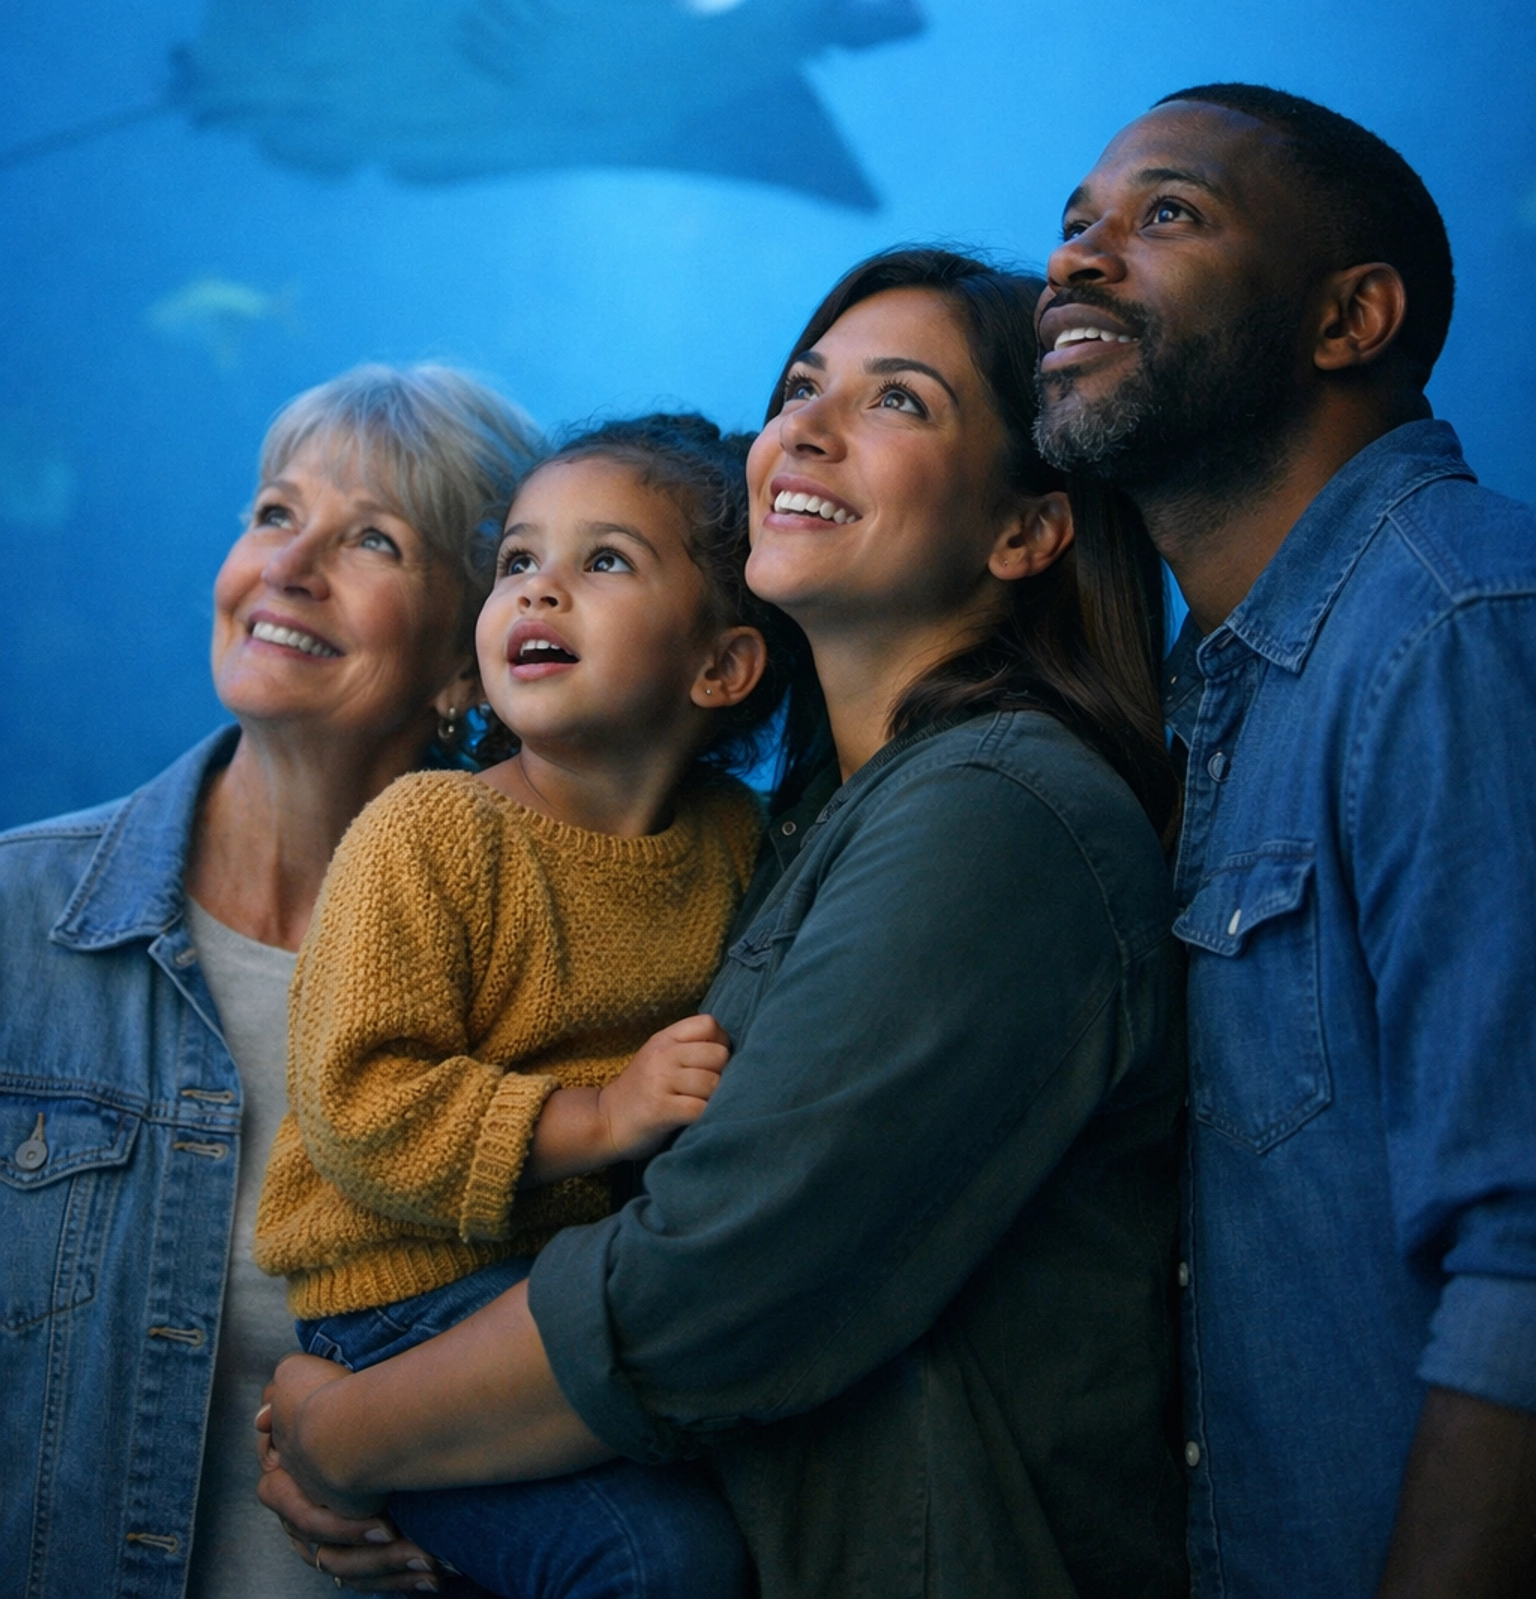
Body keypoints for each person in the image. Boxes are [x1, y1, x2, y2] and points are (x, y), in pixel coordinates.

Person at [257, 248, 1189, 1599]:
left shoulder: (990, 813)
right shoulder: (820, 820)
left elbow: (715, 1282)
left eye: (898, 401)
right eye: (801, 384)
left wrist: (347, 1434)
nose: (799, 427)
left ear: (1027, 533)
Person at [1032, 84, 1536, 1597]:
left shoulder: (1455, 632)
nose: (1076, 261)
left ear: (1350, 317)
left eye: (1164, 215)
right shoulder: (1210, 691)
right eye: (1073, 227)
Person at [0, 363, 541, 1599]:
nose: (288, 570)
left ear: (470, 659)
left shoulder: (548, 988)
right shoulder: (19, 922)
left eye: (373, 540)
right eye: (274, 515)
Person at [255, 416, 798, 1599]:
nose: (539, 588)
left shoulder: (733, 843)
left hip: (571, 1287)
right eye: (517, 562)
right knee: (661, 1559)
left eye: (604, 561)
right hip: (403, 1306)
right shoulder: (430, 829)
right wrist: (602, 1118)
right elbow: (360, 1105)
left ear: (722, 667)